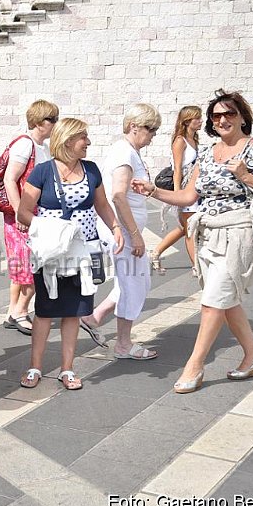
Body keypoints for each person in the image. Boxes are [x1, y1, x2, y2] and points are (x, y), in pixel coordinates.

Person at [132, 89, 253, 393]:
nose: (222, 120)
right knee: (225, 301)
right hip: (208, 234)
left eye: (229, 113)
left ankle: (195, 365)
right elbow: (188, 196)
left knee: (213, 301)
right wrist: (152, 191)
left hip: (239, 233)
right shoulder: (207, 154)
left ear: (243, 116)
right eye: (216, 116)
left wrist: (247, 176)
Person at [18, 118, 123, 390]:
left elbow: (102, 204)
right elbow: (23, 212)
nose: (88, 142)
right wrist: (52, 229)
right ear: (67, 141)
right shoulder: (42, 171)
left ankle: (67, 369)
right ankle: (35, 367)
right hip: (52, 253)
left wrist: (115, 228)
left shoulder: (91, 170)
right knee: (44, 310)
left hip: (85, 251)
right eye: (83, 137)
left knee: (74, 312)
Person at [79, 104, 162, 360]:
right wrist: (134, 235)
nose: (153, 135)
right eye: (150, 128)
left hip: (123, 228)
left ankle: (95, 317)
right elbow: (117, 195)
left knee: (134, 279)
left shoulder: (127, 151)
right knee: (134, 283)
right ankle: (124, 344)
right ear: (134, 126)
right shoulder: (125, 152)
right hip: (123, 231)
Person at [1, 100, 59, 335]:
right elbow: (9, 179)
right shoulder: (25, 145)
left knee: (22, 265)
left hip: (34, 214)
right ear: (37, 122)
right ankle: (20, 312)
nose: (55, 124)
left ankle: (13, 311)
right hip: (24, 214)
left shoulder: (41, 145)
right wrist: (19, 213)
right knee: (33, 265)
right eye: (51, 120)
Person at [149, 106, 203, 275]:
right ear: (187, 121)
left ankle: (156, 252)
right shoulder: (180, 141)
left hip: (194, 189)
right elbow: (177, 170)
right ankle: (197, 267)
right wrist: (178, 196)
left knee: (184, 227)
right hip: (185, 190)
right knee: (189, 230)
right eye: (197, 118)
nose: (201, 121)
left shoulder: (194, 138)